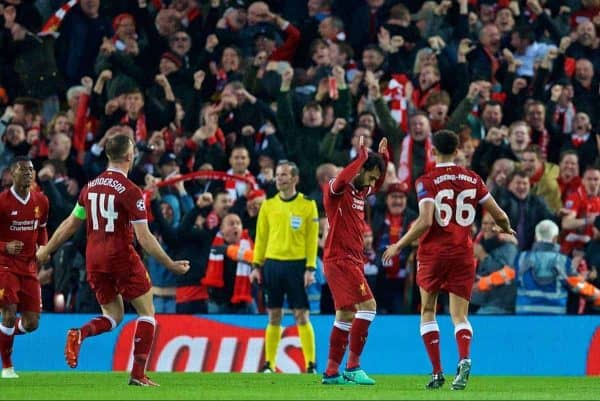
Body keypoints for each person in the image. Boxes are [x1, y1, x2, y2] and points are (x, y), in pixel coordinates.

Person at [36, 134, 190, 387]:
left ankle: (79, 333)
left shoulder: (90, 187)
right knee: (147, 314)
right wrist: (170, 264)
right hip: (121, 256)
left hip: (94, 259)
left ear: (109, 155)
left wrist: (46, 251)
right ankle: (138, 375)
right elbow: (144, 237)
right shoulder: (131, 191)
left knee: (113, 315)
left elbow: (70, 224)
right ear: (130, 156)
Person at [383, 130, 515, 390]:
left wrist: (399, 244)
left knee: (428, 310)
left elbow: (425, 220)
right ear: (457, 152)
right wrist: (506, 228)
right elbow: (498, 214)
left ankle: (436, 373)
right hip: (463, 254)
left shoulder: (427, 181)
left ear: (433, 151)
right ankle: (464, 358)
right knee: (459, 316)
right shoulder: (473, 179)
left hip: (433, 253)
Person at [321, 136, 389, 385]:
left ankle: (330, 372)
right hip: (341, 259)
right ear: (359, 169)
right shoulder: (336, 189)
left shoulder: (361, 191)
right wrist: (360, 158)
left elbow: (378, 185)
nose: (372, 182)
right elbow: (342, 178)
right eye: (370, 175)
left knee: (345, 315)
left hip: (351, 259)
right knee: (369, 307)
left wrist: (384, 159)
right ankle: (353, 366)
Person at [250, 160, 319, 374]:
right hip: (272, 265)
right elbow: (260, 238)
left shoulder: (308, 205)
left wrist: (310, 268)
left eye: (284, 175)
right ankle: (269, 364)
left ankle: (310, 365)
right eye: (278, 175)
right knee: (274, 315)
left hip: (297, 266)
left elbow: (312, 240)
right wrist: (256, 265)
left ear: (295, 179)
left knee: (301, 315)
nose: (279, 178)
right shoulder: (268, 205)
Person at [0, 156, 49, 379]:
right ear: (12, 173)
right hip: (5, 266)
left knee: (31, 324)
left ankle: (4, 334)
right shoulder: (2, 202)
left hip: (29, 267)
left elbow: (42, 230)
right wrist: (5, 245)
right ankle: (8, 366)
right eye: (23, 170)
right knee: (8, 315)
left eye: (31, 169)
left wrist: (44, 248)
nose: (29, 173)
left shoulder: (41, 201)